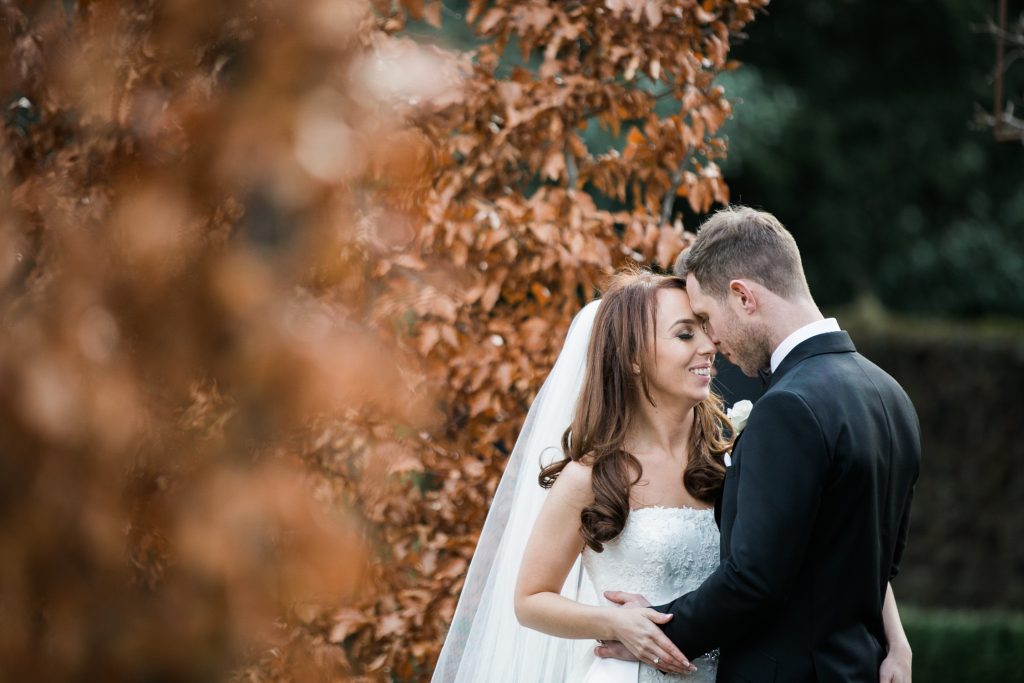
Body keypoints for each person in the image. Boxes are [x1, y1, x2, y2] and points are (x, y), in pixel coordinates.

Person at [432, 264, 913, 682]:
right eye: (685, 333)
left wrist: (896, 638)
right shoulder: (592, 477)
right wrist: (614, 623)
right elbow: (530, 599)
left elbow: (839, 537)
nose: (708, 345)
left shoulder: (735, 457)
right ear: (634, 358)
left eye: (704, 326)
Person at [598, 206, 918, 683]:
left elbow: (754, 580)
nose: (712, 340)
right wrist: (896, 641)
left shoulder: (789, 407)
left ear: (743, 296)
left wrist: (656, 628)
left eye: (707, 318)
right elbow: (880, 561)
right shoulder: (893, 396)